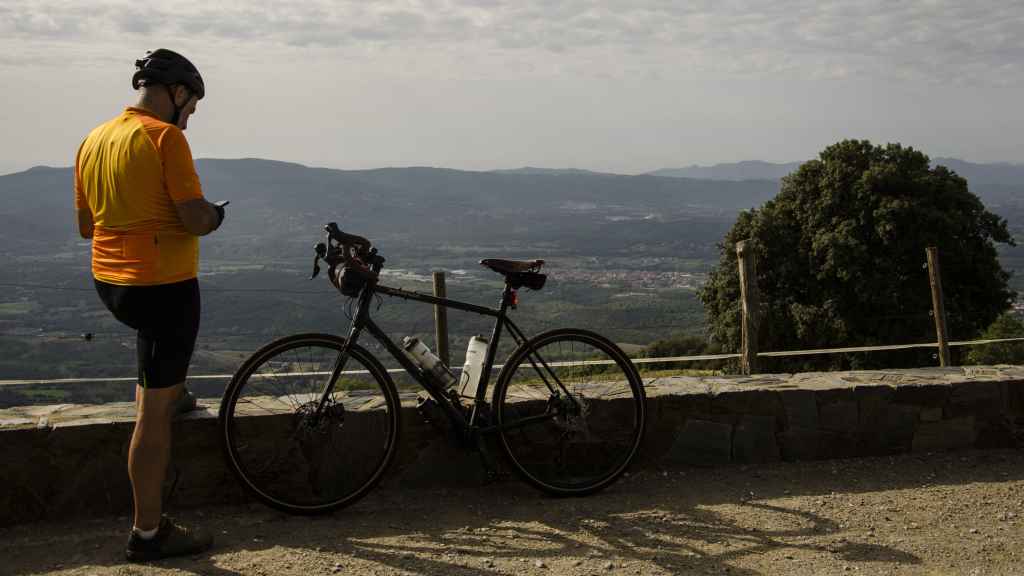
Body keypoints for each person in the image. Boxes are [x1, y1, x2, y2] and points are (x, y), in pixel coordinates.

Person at [74, 49, 225, 562]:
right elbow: (192, 219)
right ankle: (149, 534)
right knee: (151, 413)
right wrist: (215, 217)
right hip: (162, 286)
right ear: (178, 93)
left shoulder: (93, 139)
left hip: (110, 282)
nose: (192, 116)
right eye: (193, 105)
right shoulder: (166, 138)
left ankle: (173, 391)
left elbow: (86, 226)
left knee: (158, 366)